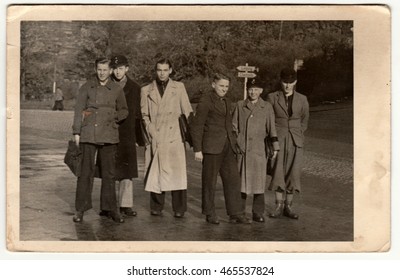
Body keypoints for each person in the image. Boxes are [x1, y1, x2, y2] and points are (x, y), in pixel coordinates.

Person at [72, 57, 128, 223]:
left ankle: (111, 209)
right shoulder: (86, 87)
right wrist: (77, 132)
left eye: (105, 70)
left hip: (109, 135)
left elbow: (124, 110)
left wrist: (113, 118)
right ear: (96, 70)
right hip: (89, 134)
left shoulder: (117, 88)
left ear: (110, 71)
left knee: (109, 174)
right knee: (85, 173)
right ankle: (80, 209)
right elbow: (78, 110)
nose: (102, 73)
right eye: (99, 69)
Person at [190, 73, 251, 225]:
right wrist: (197, 149)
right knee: (209, 182)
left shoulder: (227, 100)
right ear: (213, 85)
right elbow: (197, 126)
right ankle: (210, 213)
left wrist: (234, 141)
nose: (224, 89)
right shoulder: (205, 101)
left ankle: (236, 212)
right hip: (211, 147)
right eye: (221, 86)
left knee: (233, 180)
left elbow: (228, 123)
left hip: (227, 146)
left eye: (226, 86)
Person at [140, 58, 193, 218]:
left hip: (174, 136)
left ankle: (179, 208)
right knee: (155, 172)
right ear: (155, 71)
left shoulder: (179, 87)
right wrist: (150, 130)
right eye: (159, 70)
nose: (162, 73)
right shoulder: (146, 90)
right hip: (156, 135)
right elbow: (144, 115)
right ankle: (157, 206)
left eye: (165, 70)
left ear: (170, 71)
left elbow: (187, 112)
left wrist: (189, 135)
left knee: (177, 173)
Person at [98, 55, 142, 218]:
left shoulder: (136, 88)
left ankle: (125, 205)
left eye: (121, 68)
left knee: (126, 170)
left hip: (127, 133)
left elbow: (138, 114)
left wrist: (138, 137)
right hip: (107, 131)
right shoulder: (104, 85)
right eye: (115, 69)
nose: (118, 72)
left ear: (127, 69)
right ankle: (107, 205)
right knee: (107, 169)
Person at [232, 78, 280, 223]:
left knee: (259, 183)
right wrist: (238, 143)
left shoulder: (267, 107)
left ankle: (257, 212)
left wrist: (275, 147)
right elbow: (233, 126)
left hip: (259, 150)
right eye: (251, 89)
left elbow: (272, 128)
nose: (253, 92)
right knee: (241, 183)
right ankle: (239, 212)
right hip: (243, 150)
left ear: (261, 91)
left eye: (256, 89)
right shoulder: (240, 105)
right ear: (247, 90)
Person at [266, 67, 309, 219]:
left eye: (291, 82)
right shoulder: (272, 97)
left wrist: (299, 134)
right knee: (278, 171)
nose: (288, 85)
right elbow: (268, 119)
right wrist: (272, 139)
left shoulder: (302, 99)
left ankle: (288, 207)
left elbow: (304, 121)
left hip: (296, 140)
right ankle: (278, 205)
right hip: (278, 138)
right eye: (285, 82)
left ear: (295, 82)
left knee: (294, 173)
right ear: (281, 82)